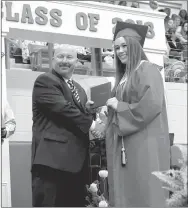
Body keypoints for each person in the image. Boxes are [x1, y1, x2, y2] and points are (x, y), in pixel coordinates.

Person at [104, 22, 170, 207]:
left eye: (125, 46)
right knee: (128, 188)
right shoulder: (125, 75)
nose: (120, 51)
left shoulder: (146, 69)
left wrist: (120, 106)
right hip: (126, 142)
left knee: (143, 189)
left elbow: (151, 105)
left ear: (135, 46)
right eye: (117, 47)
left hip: (143, 141)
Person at [31, 44, 104, 207]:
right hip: (52, 163)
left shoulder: (79, 88)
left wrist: (90, 111)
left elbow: (77, 116)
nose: (64, 61)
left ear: (77, 61)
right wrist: (93, 125)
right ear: (52, 60)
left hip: (77, 163)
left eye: (69, 57)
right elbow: (64, 109)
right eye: (60, 56)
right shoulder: (45, 80)